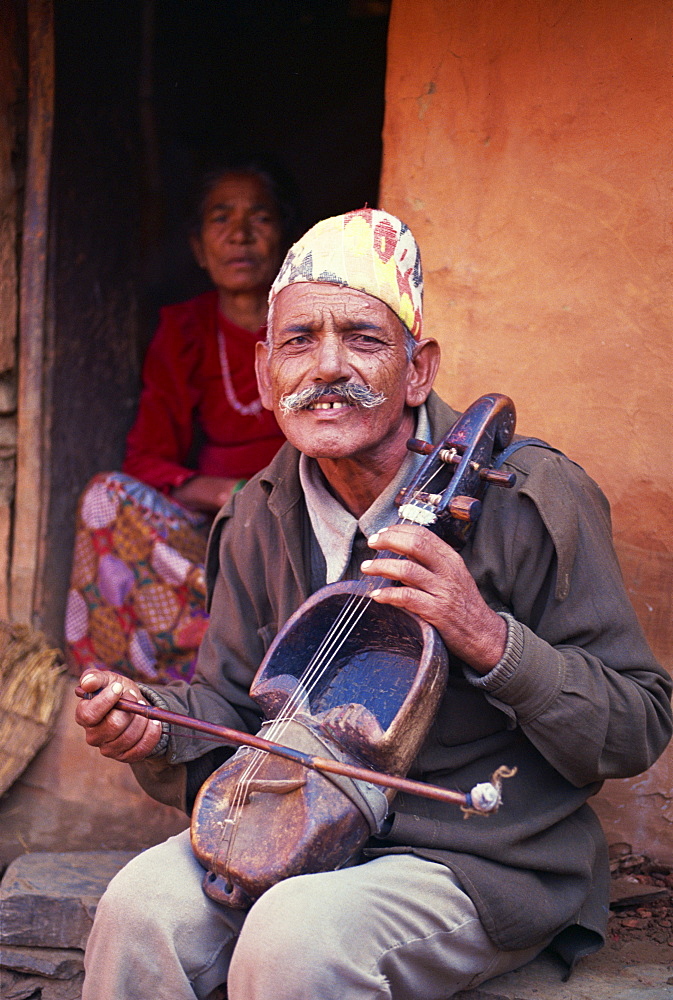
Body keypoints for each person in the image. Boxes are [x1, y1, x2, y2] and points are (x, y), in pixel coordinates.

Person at [75, 208, 672, 1000]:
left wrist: (488, 637)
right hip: (289, 825)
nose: (326, 367)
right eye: (298, 341)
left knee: (296, 940)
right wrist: (152, 728)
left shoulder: (529, 497)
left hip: (474, 855)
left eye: (361, 338)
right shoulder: (256, 511)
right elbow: (226, 708)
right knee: (137, 908)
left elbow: (636, 726)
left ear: (417, 369)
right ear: (264, 376)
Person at [64, 162, 292, 684]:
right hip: (206, 533)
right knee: (106, 497)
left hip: (291, 525)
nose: (240, 235)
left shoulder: (306, 324)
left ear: (285, 239)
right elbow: (144, 460)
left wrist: (262, 500)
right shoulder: (185, 329)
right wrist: (227, 494)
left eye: (260, 217)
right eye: (221, 218)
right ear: (197, 247)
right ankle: (141, 681)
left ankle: (242, 659)